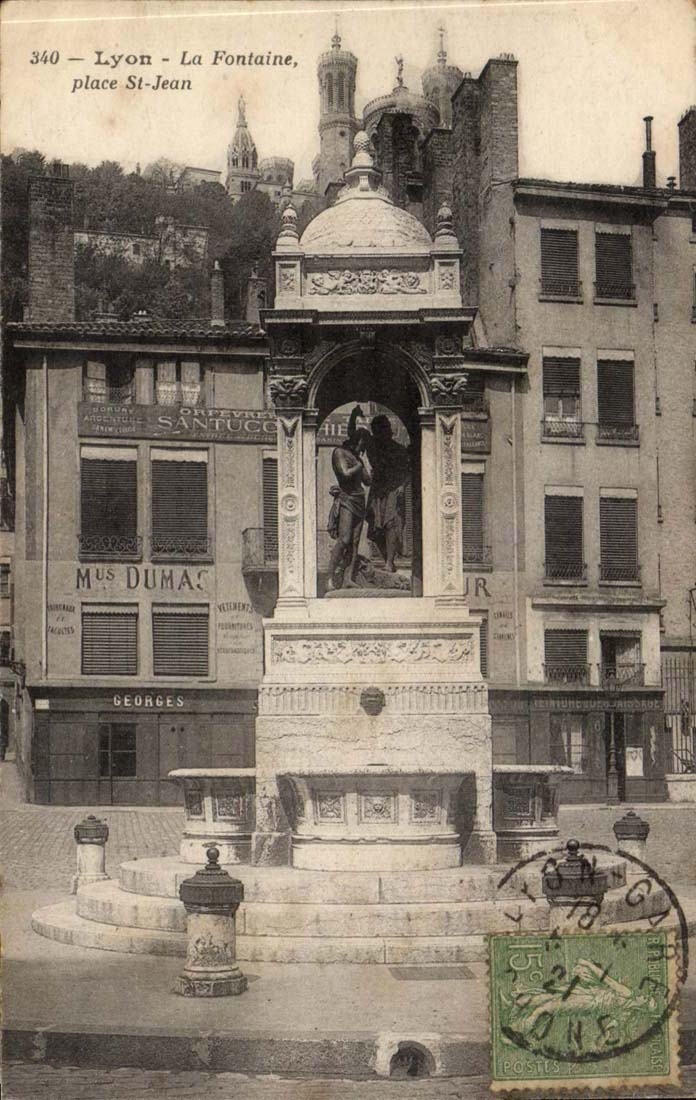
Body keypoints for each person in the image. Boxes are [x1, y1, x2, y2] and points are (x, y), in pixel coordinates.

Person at [326, 406, 372, 590]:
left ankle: (348, 578)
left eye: (365, 446)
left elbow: (367, 481)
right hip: (347, 499)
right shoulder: (340, 453)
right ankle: (329, 577)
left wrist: (366, 466)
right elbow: (345, 474)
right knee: (344, 539)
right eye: (362, 444)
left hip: (360, 500)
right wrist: (353, 414)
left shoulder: (358, 459)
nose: (363, 449)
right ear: (355, 440)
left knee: (354, 542)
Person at [365, 414, 410, 572]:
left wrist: (402, 486)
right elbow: (358, 434)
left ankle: (390, 562)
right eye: (376, 431)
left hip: (393, 489)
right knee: (374, 528)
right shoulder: (373, 447)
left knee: (391, 524)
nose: (379, 433)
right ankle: (387, 561)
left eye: (381, 430)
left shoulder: (398, 449)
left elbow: (408, 471)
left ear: (387, 430)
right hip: (377, 490)